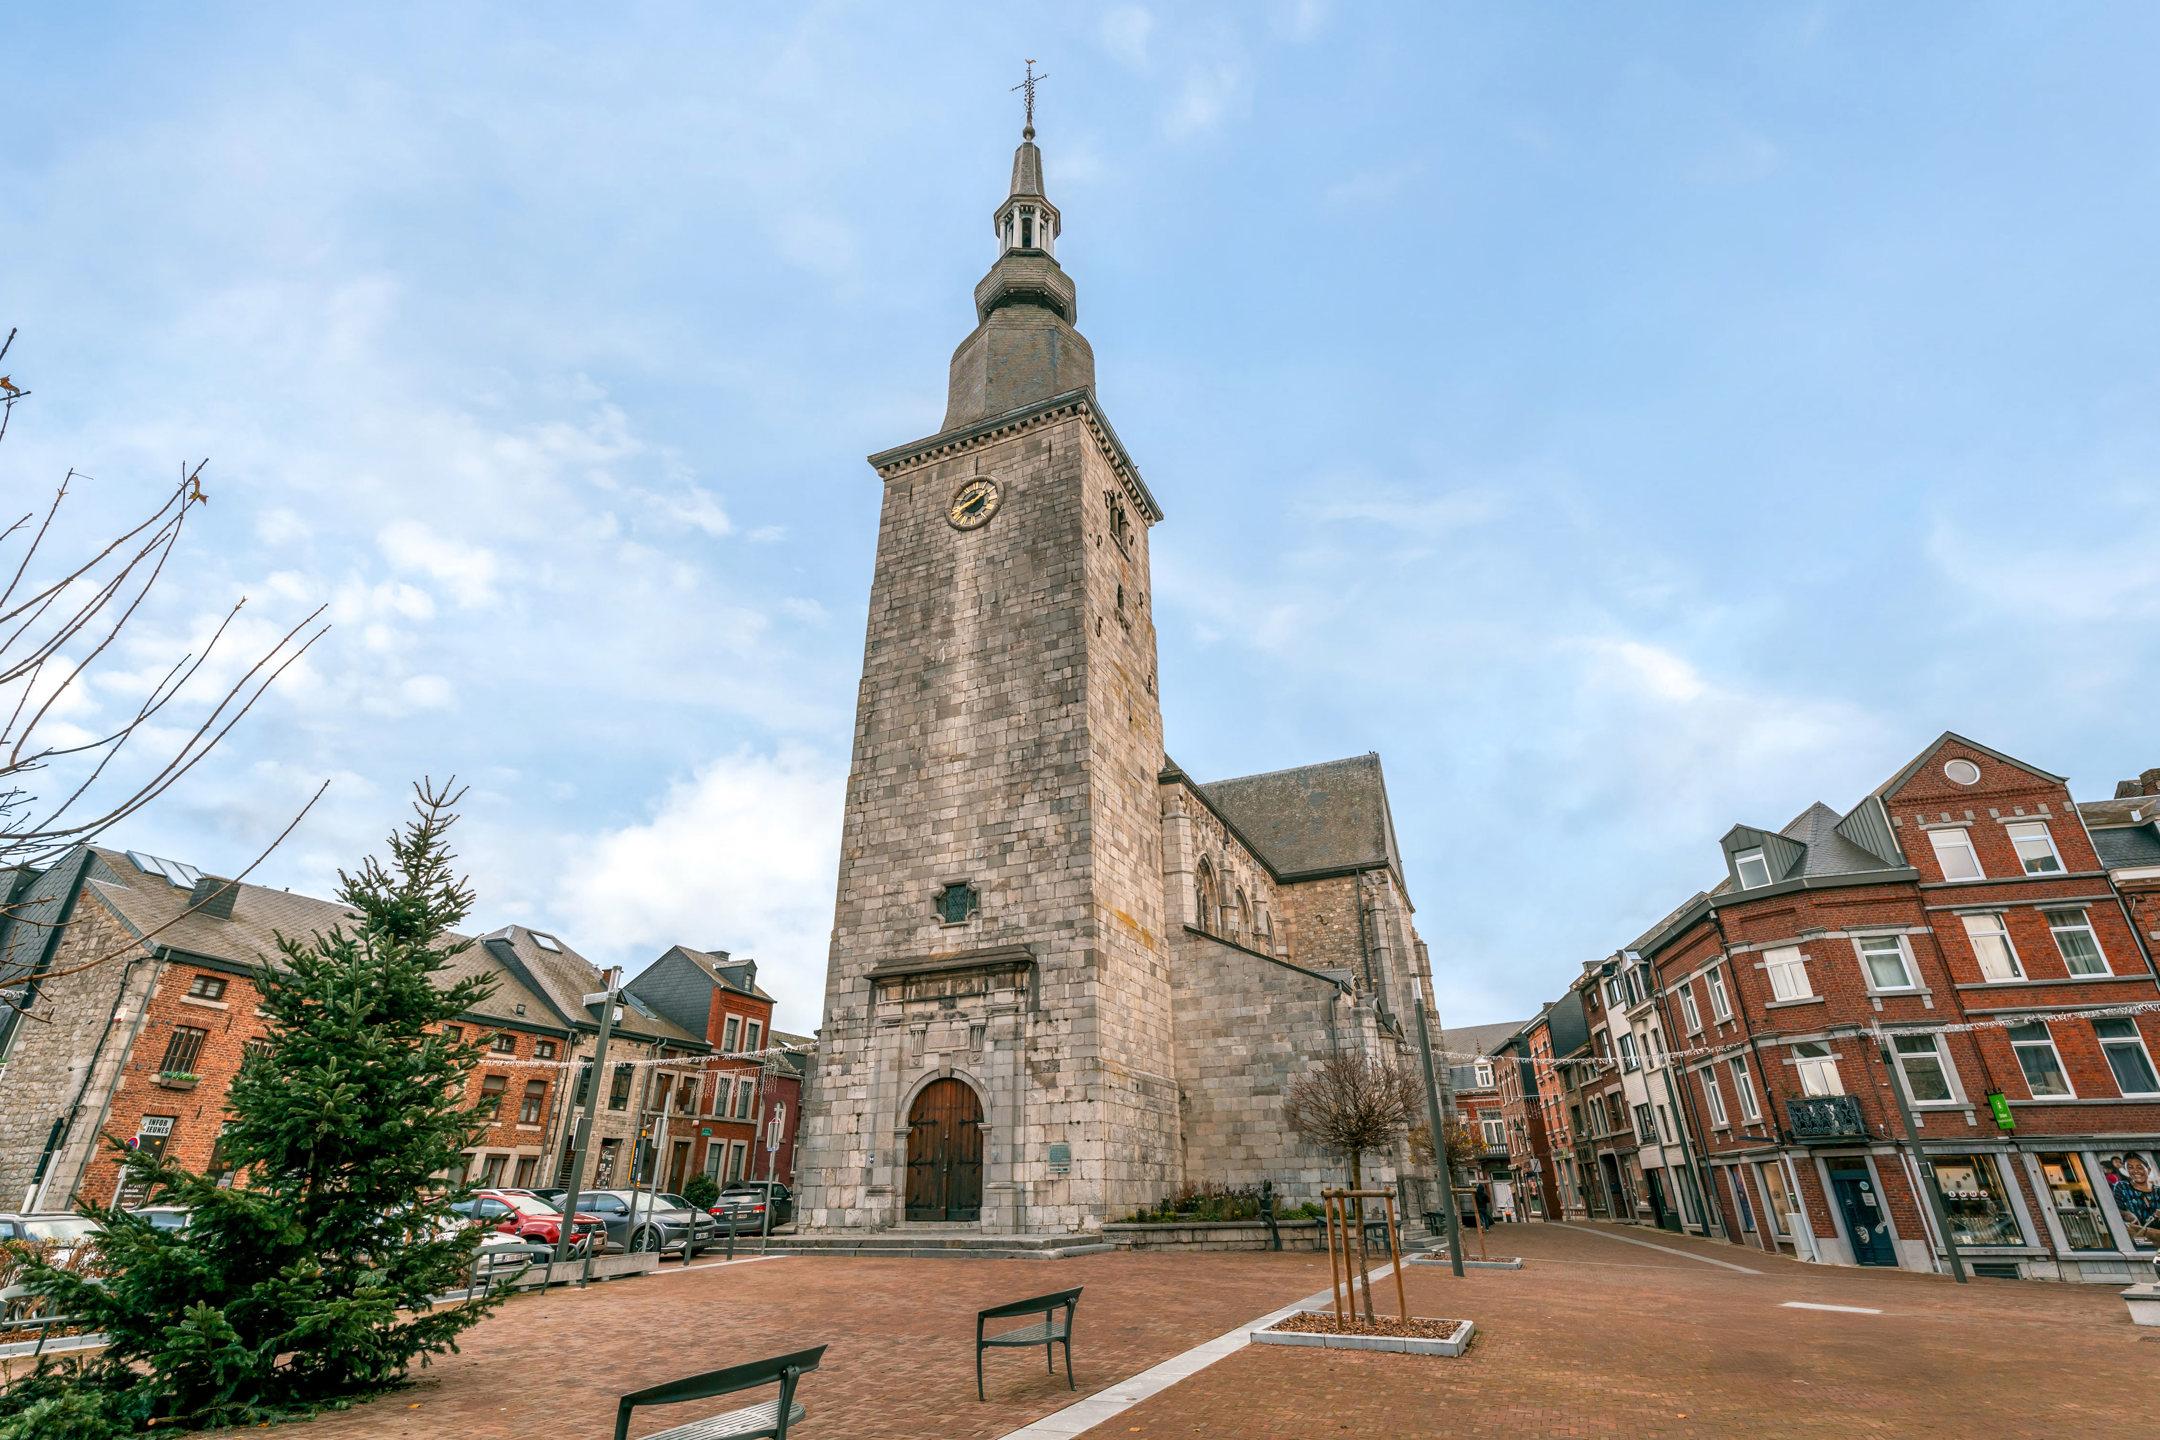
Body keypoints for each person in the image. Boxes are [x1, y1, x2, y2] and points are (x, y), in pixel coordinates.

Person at [2108, 1153, 2160, 1248]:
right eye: (2130, 1168)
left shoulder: (2158, 1191)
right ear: (2126, 1171)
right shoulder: (2122, 1187)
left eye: (2139, 1167)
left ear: (2148, 1170)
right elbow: (2115, 1211)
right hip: (2137, 1242)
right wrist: (2126, 1214)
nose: (2135, 1171)